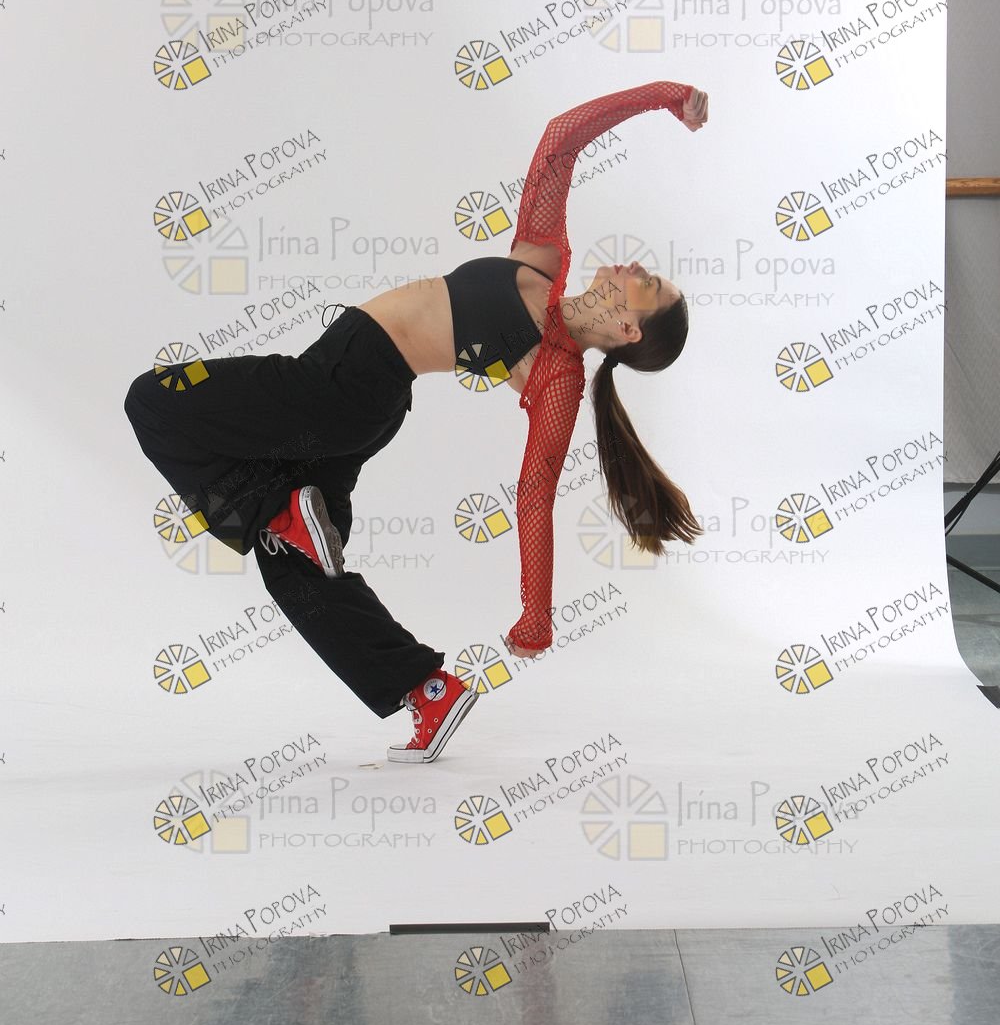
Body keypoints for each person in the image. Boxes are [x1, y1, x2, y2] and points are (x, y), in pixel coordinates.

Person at [123, 79, 708, 764]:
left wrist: (537, 612)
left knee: (154, 399)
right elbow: (560, 140)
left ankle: (277, 511)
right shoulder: (543, 261)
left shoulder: (557, 373)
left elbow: (534, 495)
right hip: (362, 405)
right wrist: (666, 95)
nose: (637, 267)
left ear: (629, 329)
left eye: (647, 284)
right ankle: (426, 689)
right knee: (295, 568)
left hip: (341, 386)